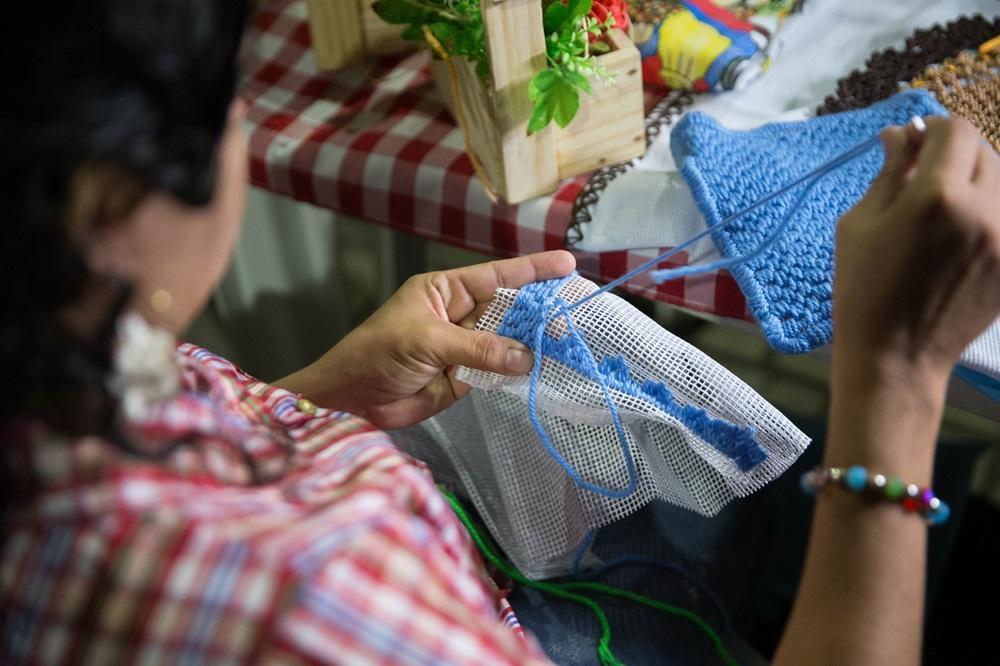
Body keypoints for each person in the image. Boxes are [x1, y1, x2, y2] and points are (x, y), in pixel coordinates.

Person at [2, 1, 998, 664]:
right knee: (726, 516)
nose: (242, 133)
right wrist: (895, 374)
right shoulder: (305, 604)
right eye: (234, 102)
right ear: (107, 205)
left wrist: (315, 399)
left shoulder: (62, 368)